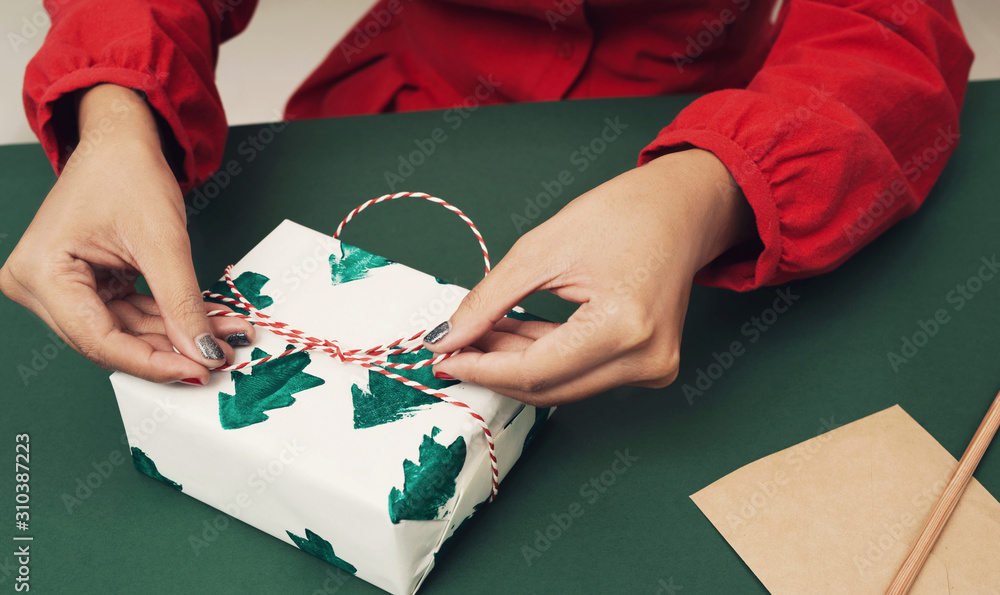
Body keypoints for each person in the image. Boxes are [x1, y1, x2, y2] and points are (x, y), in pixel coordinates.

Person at [0, 0, 973, 406]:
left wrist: (709, 189)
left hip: (697, 135)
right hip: (378, 128)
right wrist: (115, 104)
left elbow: (889, 30)